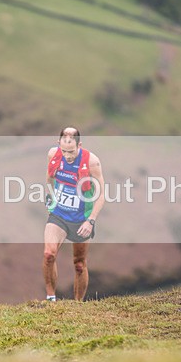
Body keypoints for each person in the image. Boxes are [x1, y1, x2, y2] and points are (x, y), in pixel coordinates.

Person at [43, 127, 105, 301]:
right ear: (58, 144)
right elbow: (49, 179)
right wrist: (49, 196)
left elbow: (101, 195)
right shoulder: (53, 155)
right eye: (64, 151)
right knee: (49, 254)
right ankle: (50, 298)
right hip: (59, 215)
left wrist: (90, 221)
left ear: (79, 145)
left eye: (71, 152)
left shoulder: (92, 162)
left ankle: (78, 305)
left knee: (79, 264)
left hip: (81, 219)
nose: (68, 155)